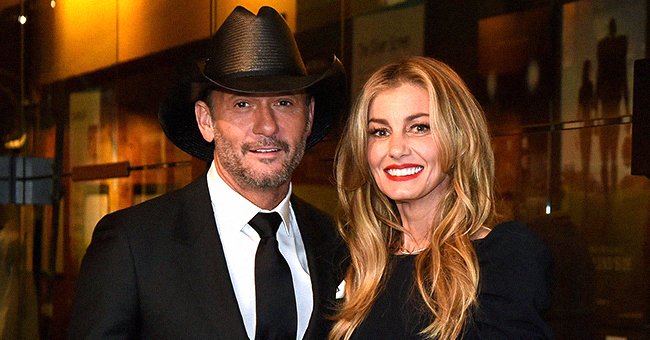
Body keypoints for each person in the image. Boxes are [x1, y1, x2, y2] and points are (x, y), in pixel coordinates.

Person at [68, 6, 347, 340]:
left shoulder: (336, 243)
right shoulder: (133, 245)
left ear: (310, 116)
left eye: (284, 103)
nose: (267, 125)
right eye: (242, 104)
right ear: (206, 121)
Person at [330, 56, 553, 339]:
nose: (396, 148)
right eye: (380, 132)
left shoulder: (504, 257)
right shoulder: (358, 261)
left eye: (419, 127)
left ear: (460, 138)